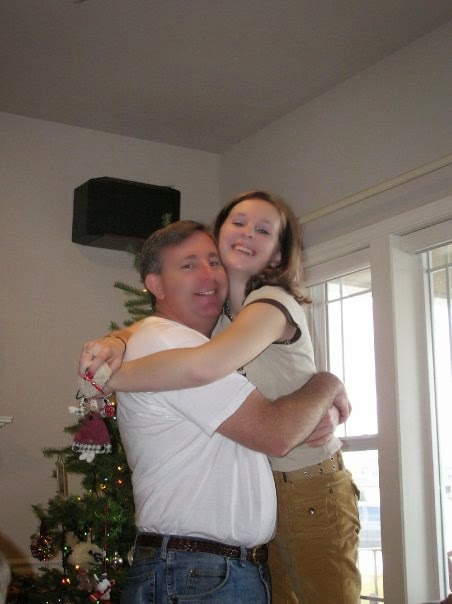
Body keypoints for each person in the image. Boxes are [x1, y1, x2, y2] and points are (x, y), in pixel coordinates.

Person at [80, 192, 360, 603]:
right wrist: (118, 345)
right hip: (211, 560)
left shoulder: (265, 306)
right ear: (155, 285)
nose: (208, 273)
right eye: (189, 265)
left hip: (309, 484)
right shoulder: (208, 328)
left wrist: (328, 384)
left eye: (212, 261)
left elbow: (203, 365)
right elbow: (268, 427)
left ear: (278, 255)